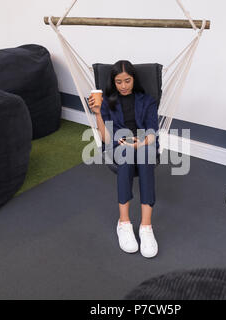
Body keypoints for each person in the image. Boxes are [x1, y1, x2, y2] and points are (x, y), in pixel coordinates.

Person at [88, 60, 159, 258]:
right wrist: (97, 114)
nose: (124, 86)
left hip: (144, 143)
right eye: (119, 82)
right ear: (114, 82)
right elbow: (106, 138)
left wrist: (142, 143)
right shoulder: (108, 102)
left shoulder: (147, 101)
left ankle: (146, 227)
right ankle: (124, 223)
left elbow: (153, 133)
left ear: (134, 79)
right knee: (126, 154)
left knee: (145, 155)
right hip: (119, 144)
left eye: (127, 81)